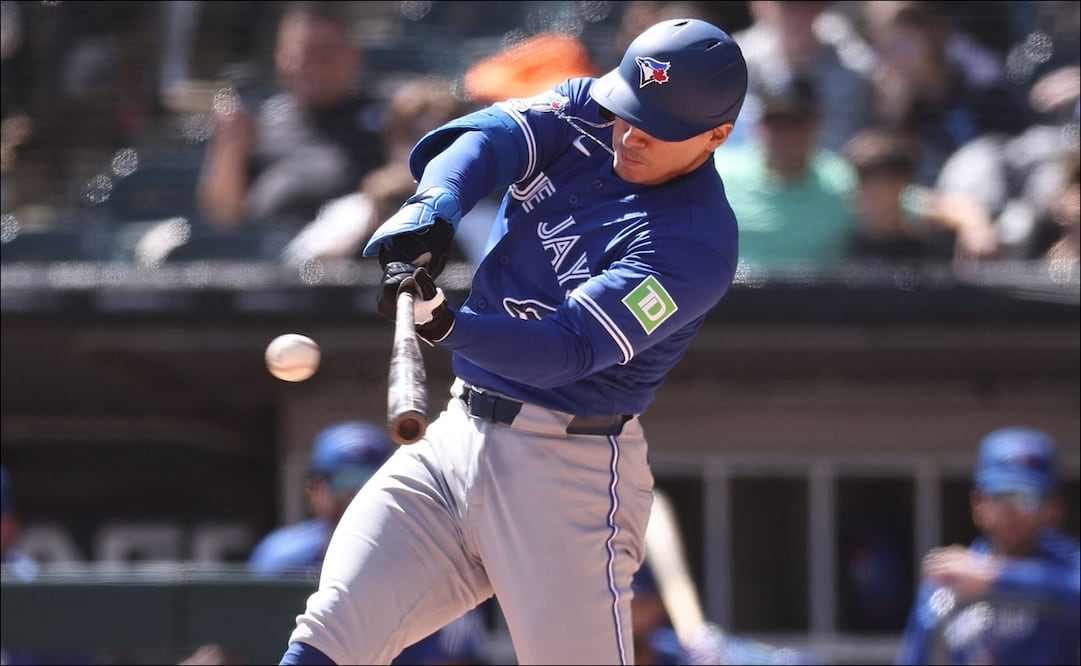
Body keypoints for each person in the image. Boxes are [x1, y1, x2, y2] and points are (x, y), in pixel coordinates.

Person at [277, 17, 749, 665]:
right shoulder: (593, 109)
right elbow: (487, 138)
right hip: (457, 434)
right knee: (328, 636)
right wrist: (433, 207)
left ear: (716, 135)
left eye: (658, 126)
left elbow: (569, 347)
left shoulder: (693, 243)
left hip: (567, 468)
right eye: (628, 109)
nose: (630, 132)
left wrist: (448, 325)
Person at [895, 426, 1081, 665]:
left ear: (1052, 508)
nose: (1012, 513)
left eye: (1027, 499)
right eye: (1001, 497)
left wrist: (996, 576)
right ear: (978, 503)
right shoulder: (952, 580)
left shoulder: (1067, 566)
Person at [195, 1, 384, 231]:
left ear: (353, 56)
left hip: (353, 259)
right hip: (265, 260)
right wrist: (229, 150)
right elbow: (223, 217)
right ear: (280, 56)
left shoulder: (386, 119)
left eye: (325, 54)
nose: (312, 67)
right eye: (301, 53)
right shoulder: (260, 122)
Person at [714, 73, 858, 272]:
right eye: (775, 122)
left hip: (818, 299)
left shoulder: (842, 179)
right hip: (736, 298)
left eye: (795, 123)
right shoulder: (719, 173)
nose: (785, 135)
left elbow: (898, 207)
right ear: (758, 126)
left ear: (817, 125)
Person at [248, 420, 393, 576]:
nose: (354, 494)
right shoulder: (281, 559)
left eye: (368, 481)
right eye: (343, 481)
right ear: (313, 488)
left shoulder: (407, 554)